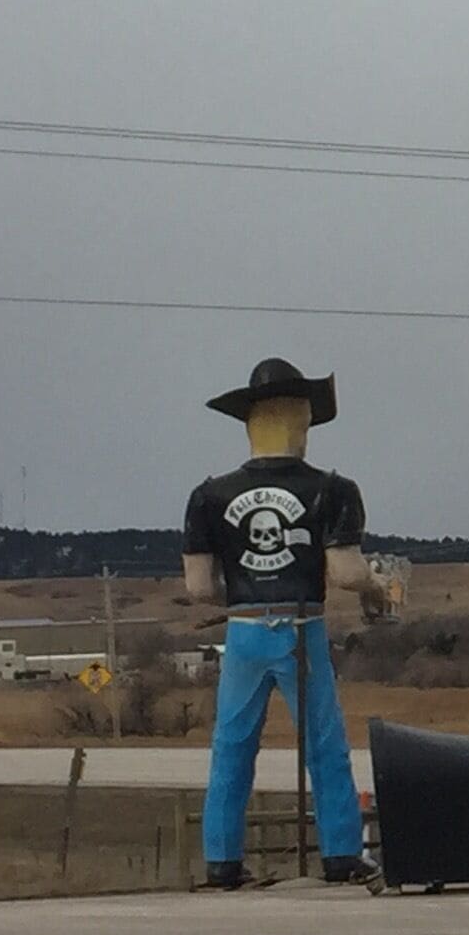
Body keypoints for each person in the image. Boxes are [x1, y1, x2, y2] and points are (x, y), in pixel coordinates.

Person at [182, 357, 390, 888]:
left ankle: (222, 860)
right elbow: (345, 572)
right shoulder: (332, 490)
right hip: (302, 628)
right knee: (323, 743)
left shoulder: (209, 496)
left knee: (231, 745)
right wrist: (375, 585)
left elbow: (199, 588)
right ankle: (341, 853)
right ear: (299, 420)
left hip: (244, 630)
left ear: (251, 421)